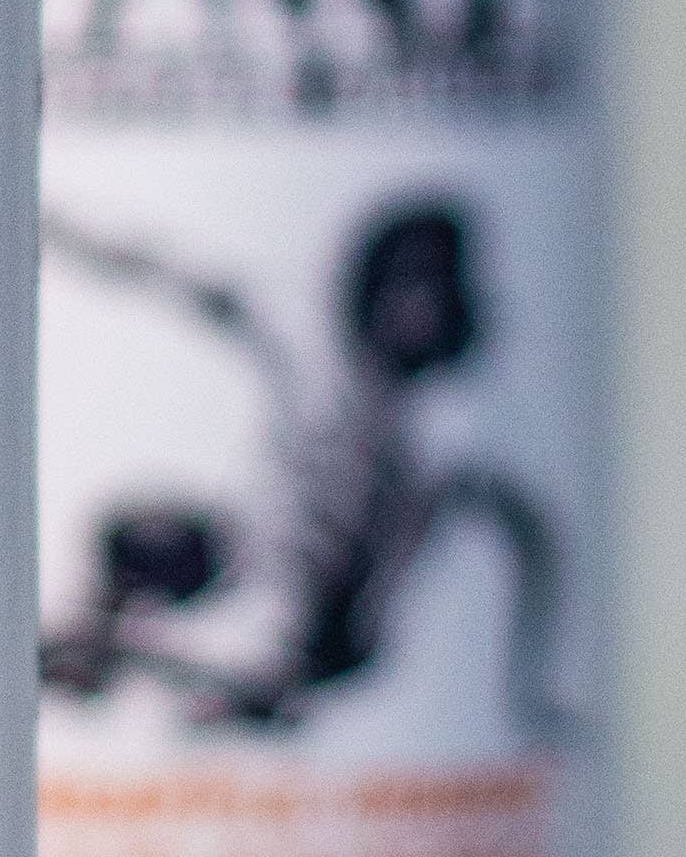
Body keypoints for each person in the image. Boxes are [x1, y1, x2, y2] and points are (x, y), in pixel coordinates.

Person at [37, 194, 570, 734]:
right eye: (408, 287)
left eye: (436, 292)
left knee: (273, 646)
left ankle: (240, 681)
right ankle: (96, 649)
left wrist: (531, 686)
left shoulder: (442, 445)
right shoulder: (312, 359)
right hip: (244, 562)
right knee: (145, 533)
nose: (420, 311)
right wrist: (61, 235)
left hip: (329, 628)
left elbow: (532, 539)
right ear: (374, 284)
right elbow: (179, 277)